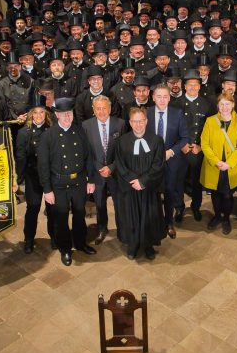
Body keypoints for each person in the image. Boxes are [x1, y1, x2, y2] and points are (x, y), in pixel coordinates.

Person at [38, 97, 96, 266]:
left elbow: (89, 157)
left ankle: (80, 243)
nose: (67, 117)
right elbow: (43, 165)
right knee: (61, 218)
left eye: (69, 113)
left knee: (79, 215)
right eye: (63, 114)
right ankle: (65, 249)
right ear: (56, 115)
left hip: (79, 181)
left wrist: (91, 180)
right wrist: (47, 189)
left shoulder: (80, 131)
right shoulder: (48, 135)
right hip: (58, 185)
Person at [111, 108, 166, 260]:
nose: (138, 124)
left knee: (149, 216)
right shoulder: (122, 142)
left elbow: (158, 164)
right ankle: (133, 244)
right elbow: (120, 165)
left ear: (146, 121)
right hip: (130, 188)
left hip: (149, 187)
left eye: (141, 121)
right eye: (135, 121)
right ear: (130, 122)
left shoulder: (156, 140)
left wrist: (143, 181)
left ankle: (148, 245)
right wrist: (133, 181)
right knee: (131, 217)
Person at [199, 94, 237, 234]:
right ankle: (217, 216)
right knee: (215, 193)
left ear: (233, 105)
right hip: (214, 165)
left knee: (227, 195)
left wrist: (229, 163)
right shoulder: (210, 121)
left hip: (230, 166)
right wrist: (216, 161)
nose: (224, 107)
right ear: (218, 106)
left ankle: (226, 218)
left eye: (227, 104)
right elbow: (204, 144)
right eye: (222, 104)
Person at [15, 102, 56, 254]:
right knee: (33, 207)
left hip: (50, 175)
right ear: (31, 115)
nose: (39, 115)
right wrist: (17, 178)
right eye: (36, 112)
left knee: (52, 208)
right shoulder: (23, 132)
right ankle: (29, 239)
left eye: (42, 112)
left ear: (46, 115)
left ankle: (54, 237)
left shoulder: (53, 130)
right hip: (32, 175)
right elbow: (20, 157)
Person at [82, 96, 123, 244]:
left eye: (104, 108)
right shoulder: (86, 125)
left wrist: (111, 167)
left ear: (110, 109)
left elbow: (124, 151)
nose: (101, 111)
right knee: (100, 204)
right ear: (93, 110)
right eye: (98, 108)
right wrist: (99, 168)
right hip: (97, 172)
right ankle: (101, 229)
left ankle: (122, 230)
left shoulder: (120, 124)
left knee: (119, 204)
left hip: (116, 172)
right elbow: (86, 152)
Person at [148, 85, 188, 237]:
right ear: (153, 98)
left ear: (169, 98)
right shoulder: (147, 113)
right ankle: (154, 221)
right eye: (159, 96)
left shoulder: (177, 114)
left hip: (171, 160)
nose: (162, 100)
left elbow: (185, 138)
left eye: (165, 96)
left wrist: (171, 152)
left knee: (170, 191)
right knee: (153, 192)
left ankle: (169, 222)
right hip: (151, 161)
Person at [178, 70, 216, 220]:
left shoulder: (207, 104)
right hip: (181, 149)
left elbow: (209, 128)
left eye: (195, 84)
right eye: (190, 84)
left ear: (200, 86)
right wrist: (182, 144)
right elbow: (174, 128)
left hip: (197, 150)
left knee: (196, 181)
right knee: (179, 180)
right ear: (184, 86)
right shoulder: (176, 104)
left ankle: (196, 207)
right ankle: (179, 208)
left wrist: (200, 145)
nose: (193, 87)